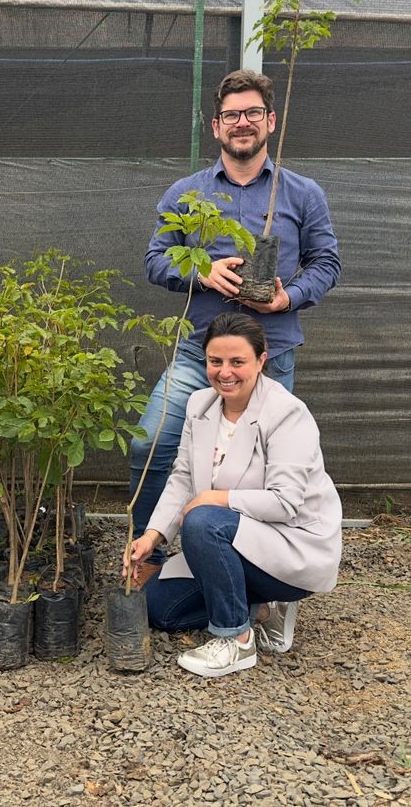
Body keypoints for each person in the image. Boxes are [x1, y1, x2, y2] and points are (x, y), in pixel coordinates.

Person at [129, 68, 340, 545]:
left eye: (251, 113)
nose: (241, 123)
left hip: (272, 353)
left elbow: (326, 263)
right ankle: (148, 552)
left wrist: (290, 296)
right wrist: (200, 272)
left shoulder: (303, 193)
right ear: (216, 126)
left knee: (264, 468)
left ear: (270, 120)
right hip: (198, 354)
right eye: (231, 115)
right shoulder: (187, 194)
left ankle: (249, 570)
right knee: (151, 443)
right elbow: (154, 260)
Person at [123, 312, 341, 677]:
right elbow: (181, 477)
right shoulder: (200, 405)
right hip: (236, 538)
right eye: (215, 361)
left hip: (291, 547)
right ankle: (261, 610)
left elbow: (285, 502)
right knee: (160, 609)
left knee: (202, 519)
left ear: (261, 360)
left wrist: (215, 500)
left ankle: (235, 640)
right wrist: (151, 535)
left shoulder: (287, 414)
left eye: (237, 362)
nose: (225, 372)